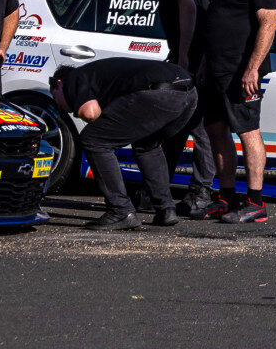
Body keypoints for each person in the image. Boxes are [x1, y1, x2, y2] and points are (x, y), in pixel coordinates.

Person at [118, 0, 221, 218]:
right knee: (176, 124)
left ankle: (201, 191)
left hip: (195, 59)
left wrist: (185, 55)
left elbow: (188, 7)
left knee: (198, 126)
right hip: (193, 56)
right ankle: (157, 192)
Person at [193, 0, 276, 225]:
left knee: (247, 131)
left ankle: (255, 201)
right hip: (216, 71)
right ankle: (226, 197)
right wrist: (205, 62)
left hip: (240, 72)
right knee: (216, 130)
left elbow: (268, 24)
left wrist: (252, 68)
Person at [53, 56, 199, 231]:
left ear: (59, 83)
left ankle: (120, 210)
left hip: (159, 94)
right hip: (188, 93)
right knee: (147, 145)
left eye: (55, 97)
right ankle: (166, 209)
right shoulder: (101, 75)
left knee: (93, 140)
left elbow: (90, 113)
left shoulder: (75, 78)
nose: (59, 106)